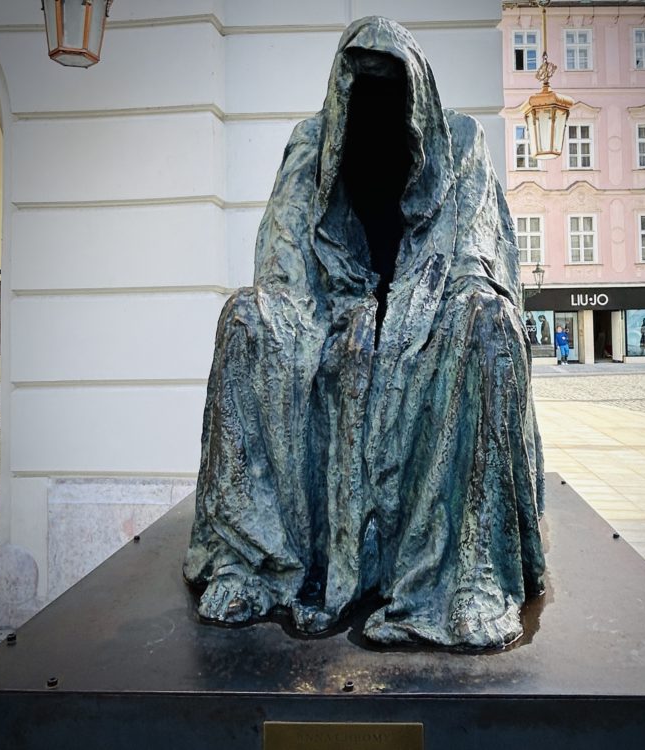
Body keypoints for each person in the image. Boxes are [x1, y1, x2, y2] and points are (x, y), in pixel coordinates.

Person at [184, 17, 544, 650]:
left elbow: (477, 253)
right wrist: (333, 323)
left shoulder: (460, 142)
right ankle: (252, 558)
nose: (376, 101)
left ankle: (471, 576)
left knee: (485, 324)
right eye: (362, 82)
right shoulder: (310, 140)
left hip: (428, 310)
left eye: (390, 83)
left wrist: (410, 318)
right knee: (244, 318)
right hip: (329, 314)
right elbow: (282, 256)